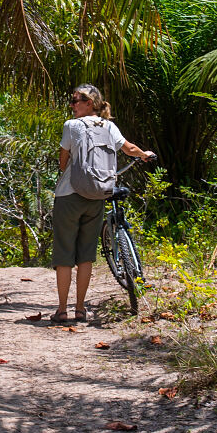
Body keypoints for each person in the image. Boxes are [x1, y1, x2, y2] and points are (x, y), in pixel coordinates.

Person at [52, 84, 155, 322]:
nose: (72, 105)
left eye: (75, 100)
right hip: (97, 195)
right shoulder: (109, 126)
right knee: (86, 255)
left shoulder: (72, 125)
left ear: (89, 103)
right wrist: (144, 154)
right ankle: (80, 309)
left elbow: (63, 163)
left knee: (65, 254)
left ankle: (62, 310)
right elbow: (129, 149)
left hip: (69, 195)